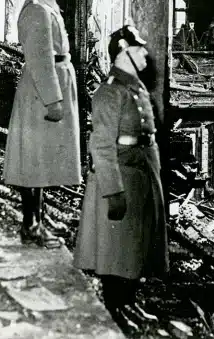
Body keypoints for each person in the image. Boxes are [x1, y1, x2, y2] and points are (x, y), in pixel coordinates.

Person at [73, 24, 168, 312]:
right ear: (125, 50)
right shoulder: (109, 91)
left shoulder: (134, 87)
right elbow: (101, 145)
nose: (145, 57)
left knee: (135, 249)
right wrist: (113, 191)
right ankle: (114, 308)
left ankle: (126, 302)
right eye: (140, 51)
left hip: (142, 174)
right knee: (116, 253)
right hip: (123, 178)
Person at [4, 0, 81, 248]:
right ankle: (30, 226)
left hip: (51, 84)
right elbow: (39, 58)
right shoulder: (37, 7)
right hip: (41, 90)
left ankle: (37, 222)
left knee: (41, 160)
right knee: (33, 162)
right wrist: (53, 98)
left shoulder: (47, 3)